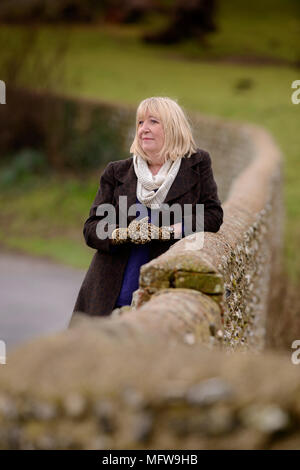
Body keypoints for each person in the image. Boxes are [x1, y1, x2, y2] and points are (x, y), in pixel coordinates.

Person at [71, 97, 223, 319]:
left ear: (172, 127)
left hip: (160, 297)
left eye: (153, 121)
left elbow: (212, 215)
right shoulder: (116, 172)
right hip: (107, 295)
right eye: (140, 123)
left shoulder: (197, 164)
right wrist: (122, 234)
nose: (144, 129)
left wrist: (170, 231)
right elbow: (91, 228)